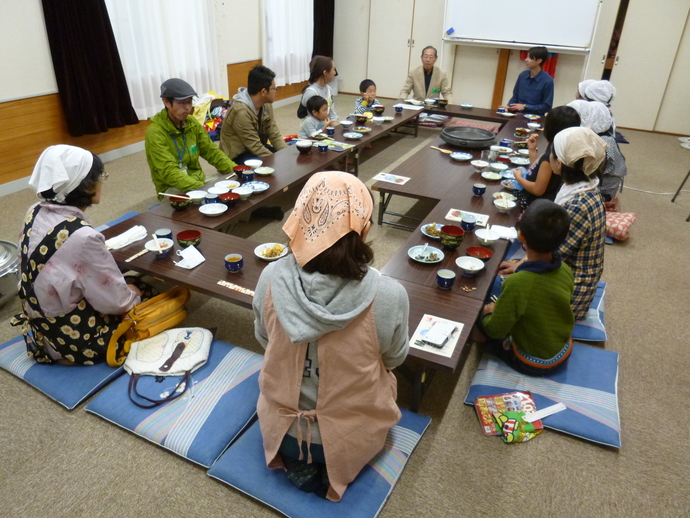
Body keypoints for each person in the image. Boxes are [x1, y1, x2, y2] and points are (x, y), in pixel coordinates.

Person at [253, 171, 409, 502]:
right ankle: (334, 463)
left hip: (284, 432)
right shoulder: (389, 294)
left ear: (300, 218)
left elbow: (265, 340)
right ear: (364, 227)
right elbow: (395, 359)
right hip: (351, 436)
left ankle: (301, 461)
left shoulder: (269, 278)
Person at [11, 145, 154, 365]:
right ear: (86, 186)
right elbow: (115, 302)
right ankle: (73, 354)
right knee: (144, 291)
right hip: (74, 340)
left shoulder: (34, 210)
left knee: (123, 282)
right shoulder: (83, 237)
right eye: (100, 177)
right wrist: (133, 295)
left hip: (41, 330)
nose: (101, 182)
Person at [499, 127, 608, 320]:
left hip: (570, 297)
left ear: (559, 163)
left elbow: (552, 252)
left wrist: (520, 267)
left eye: (551, 153)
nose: (548, 156)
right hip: (567, 272)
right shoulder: (584, 184)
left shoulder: (578, 206)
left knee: (503, 288)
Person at [482, 200, 575, 375]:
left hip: (533, 362)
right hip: (562, 350)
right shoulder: (565, 270)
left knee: (481, 318)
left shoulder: (519, 283)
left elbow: (495, 330)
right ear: (565, 235)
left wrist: (488, 312)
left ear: (520, 236)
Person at [145, 78, 236, 197]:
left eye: (189, 102)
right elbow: (169, 172)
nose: (188, 107)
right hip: (172, 187)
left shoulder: (191, 122)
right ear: (166, 102)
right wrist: (202, 189)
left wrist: (237, 170)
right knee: (205, 203)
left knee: (231, 185)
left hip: (198, 180)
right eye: (182, 103)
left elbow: (212, 152)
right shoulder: (155, 133)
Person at [515, 106, 581, 209]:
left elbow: (538, 190)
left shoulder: (551, 155)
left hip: (535, 205)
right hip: (544, 202)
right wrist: (532, 150)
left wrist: (518, 178)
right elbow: (537, 169)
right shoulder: (560, 146)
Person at [219, 65, 288, 164]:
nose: (276, 91)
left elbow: (274, 134)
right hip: (237, 156)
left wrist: (287, 153)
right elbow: (255, 146)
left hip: (256, 148)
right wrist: (276, 161)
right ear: (263, 91)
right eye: (274, 88)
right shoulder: (241, 112)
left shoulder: (266, 104)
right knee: (269, 165)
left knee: (283, 156)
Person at [567, 100, 627, 200]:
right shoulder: (604, 136)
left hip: (603, 188)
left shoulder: (599, 142)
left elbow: (587, 171)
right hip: (604, 180)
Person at [500, 46, 554, 116]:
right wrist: (510, 107)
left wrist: (525, 107)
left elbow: (547, 107)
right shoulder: (523, 75)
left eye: (530, 58)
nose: (526, 60)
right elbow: (515, 97)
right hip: (517, 115)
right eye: (526, 57)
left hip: (535, 118)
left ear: (539, 61)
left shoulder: (547, 80)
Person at [298, 56, 339, 126]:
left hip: (324, 124)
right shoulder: (311, 93)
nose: (335, 73)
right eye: (333, 69)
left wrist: (336, 124)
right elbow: (312, 121)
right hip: (313, 130)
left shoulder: (329, 89)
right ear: (325, 72)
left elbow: (331, 111)